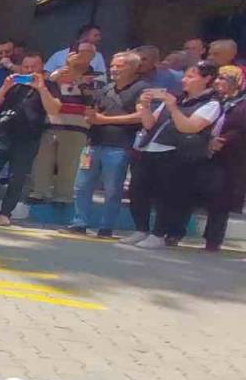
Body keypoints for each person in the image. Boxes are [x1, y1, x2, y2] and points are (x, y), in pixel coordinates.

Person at [124, 61, 222, 249]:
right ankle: (141, 229)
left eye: (191, 77)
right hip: (149, 149)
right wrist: (144, 106)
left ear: (207, 79)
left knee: (166, 196)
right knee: (138, 191)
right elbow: (149, 124)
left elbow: (189, 127)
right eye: (184, 76)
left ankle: (159, 233)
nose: (184, 80)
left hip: (175, 154)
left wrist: (173, 107)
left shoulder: (211, 104)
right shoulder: (176, 98)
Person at [0, 52, 62, 226]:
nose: (29, 71)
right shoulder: (12, 83)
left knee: (17, 178)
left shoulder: (50, 86)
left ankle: (5, 213)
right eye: (26, 67)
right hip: (2, 136)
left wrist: (41, 88)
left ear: (41, 68)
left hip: (28, 139)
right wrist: (5, 87)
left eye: (33, 67)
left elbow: (54, 109)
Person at [63, 52, 148, 239]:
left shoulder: (141, 89)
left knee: (112, 189)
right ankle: (80, 222)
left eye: (119, 66)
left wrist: (105, 120)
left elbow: (140, 116)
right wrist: (91, 117)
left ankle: (106, 226)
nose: (114, 69)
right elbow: (95, 112)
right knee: (81, 186)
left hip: (119, 145)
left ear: (133, 68)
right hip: (93, 142)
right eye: (112, 66)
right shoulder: (106, 89)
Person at [30, 41, 101, 204]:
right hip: (51, 123)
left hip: (77, 125)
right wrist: (60, 74)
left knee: (69, 163)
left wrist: (75, 74)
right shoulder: (56, 74)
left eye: (89, 53)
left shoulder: (95, 76)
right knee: (43, 160)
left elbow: (92, 97)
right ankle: (39, 191)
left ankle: (63, 196)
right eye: (80, 52)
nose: (84, 56)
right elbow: (46, 89)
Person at [203, 65, 246, 251]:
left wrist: (223, 140)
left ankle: (213, 239)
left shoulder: (242, 104)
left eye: (224, 78)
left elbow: (241, 128)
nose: (218, 82)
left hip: (230, 157)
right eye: (218, 78)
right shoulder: (211, 99)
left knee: (221, 198)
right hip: (204, 152)